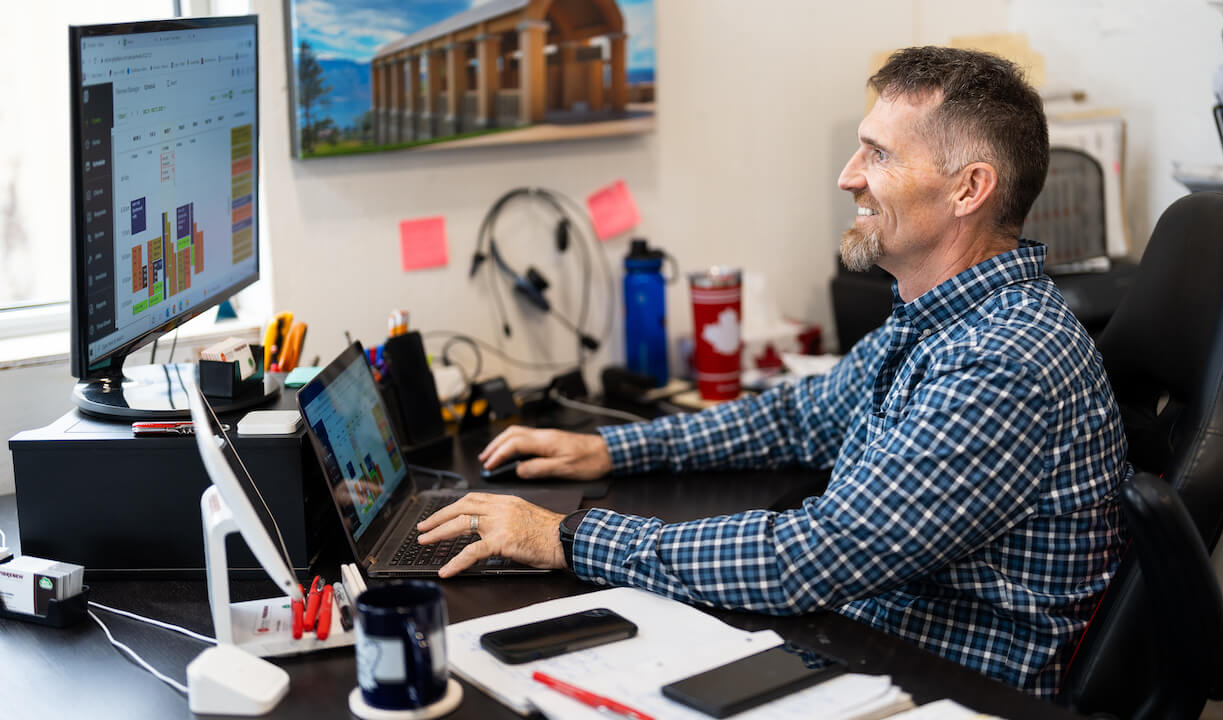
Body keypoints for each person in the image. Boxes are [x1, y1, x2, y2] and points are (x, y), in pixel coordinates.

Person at [416, 46, 1130, 697]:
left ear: (970, 188)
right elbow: (798, 416)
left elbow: (814, 556)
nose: (848, 177)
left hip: (941, 685)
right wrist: (609, 449)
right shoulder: (936, 318)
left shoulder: (1004, 358)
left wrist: (567, 538)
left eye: (878, 155)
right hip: (865, 640)